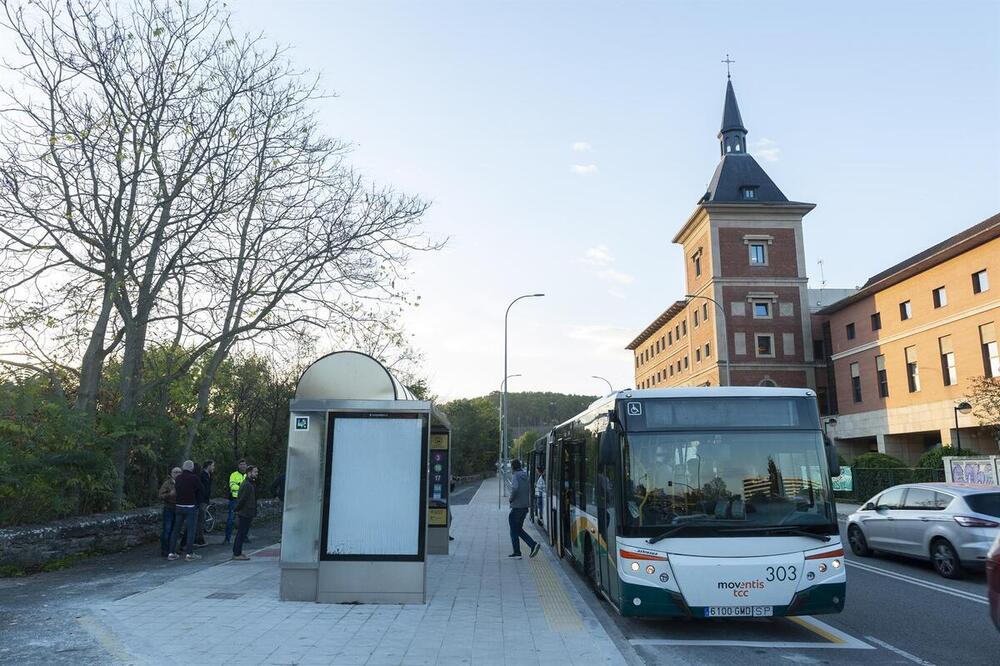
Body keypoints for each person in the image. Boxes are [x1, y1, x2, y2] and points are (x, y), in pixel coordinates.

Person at [167, 461, 202, 562]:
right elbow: (200, 490)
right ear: (192, 468)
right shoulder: (194, 478)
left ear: (183, 467)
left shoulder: (178, 478)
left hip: (179, 506)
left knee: (176, 530)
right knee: (191, 530)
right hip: (190, 506)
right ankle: (189, 553)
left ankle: (171, 553)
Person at [508, 459, 540, 560]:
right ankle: (532, 545)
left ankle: (517, 552)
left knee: (513, 530)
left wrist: (511, 499)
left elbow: (515, 488)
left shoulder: (515, 476)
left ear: (513, 467)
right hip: (525, 507)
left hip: (516, 507)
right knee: (518, 529)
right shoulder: (526, 475)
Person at [232, 466, 259, 561]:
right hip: (245, 512)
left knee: (242, 533)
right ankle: (236, 553)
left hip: (247, 511)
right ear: (249, 473)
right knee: (241, 533)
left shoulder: (249, 484)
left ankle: (238, 552)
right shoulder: (247, 484)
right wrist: (236, 509)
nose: (257, 474)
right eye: (255, 472)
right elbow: (242, 499)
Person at [158, 467, 181, 557]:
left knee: (175, 530)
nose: (177, 474)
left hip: (178, 508)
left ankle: (173, 549)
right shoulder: (167, 483)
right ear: (171, 473)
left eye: (179, 472)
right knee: (167, 530)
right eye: (175, 472)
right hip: (169, 508)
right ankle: (165, 550)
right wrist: (169, 494)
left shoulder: (182, 483)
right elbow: (160, 495)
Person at [224, 459, 247, 544]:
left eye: (244, 464)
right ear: (238, 466)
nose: (243, 466)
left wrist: (239, 485)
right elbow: (232, 486)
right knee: (231, 520)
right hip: (235, 499)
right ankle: (227, 539)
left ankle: (244, 537)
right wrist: (243, 486)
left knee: (244, 519)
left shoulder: (248, 475)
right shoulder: (233, 475)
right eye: (241, 464)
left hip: (245, 500)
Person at [195, 460, 215, 546]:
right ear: (209, 466)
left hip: (205, 499)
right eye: (213, 466)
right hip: (201, 500)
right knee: (200, 520)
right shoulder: (202, 475)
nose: (214, 467)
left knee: (201, 519)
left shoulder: (209, 475)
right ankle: (199, 539)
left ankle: (199, 538)